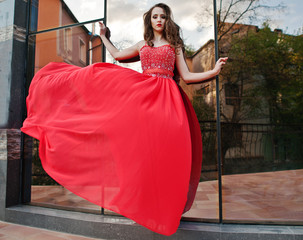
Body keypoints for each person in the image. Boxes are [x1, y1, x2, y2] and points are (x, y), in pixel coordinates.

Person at [21, 2, 227, 236]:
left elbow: (188, 76)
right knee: (136, 147)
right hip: (143, 98)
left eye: (162, 16)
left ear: (167, 20)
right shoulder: (143, 44)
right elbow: (118, 55)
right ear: (149, 21)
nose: (158, 20)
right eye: (154, 17)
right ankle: (142, 202)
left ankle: (166, 206)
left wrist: (213, 71)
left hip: (167, 101)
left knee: (165, 153)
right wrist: (104, 37)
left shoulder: (175, 45)